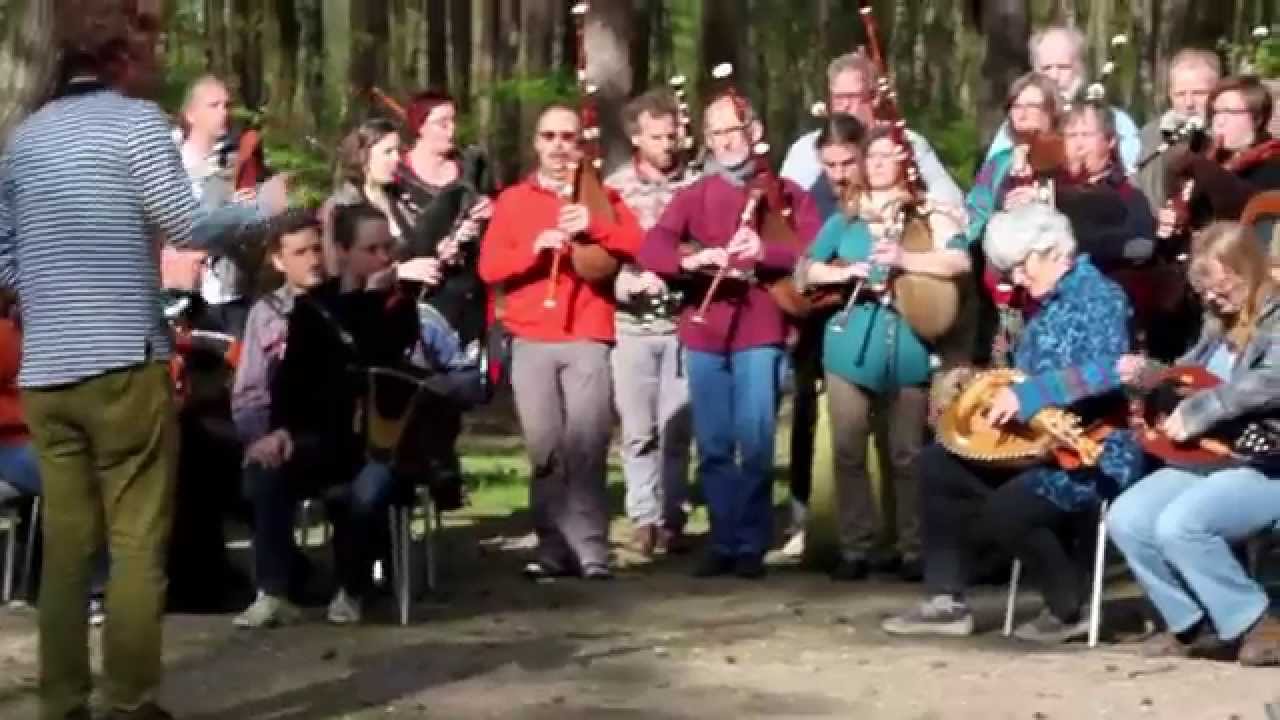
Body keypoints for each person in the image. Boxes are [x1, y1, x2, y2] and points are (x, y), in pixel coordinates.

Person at [0, 6, 288, 718]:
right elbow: (187, 223)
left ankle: (62, 702)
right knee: (134, 544)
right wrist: (262, 208)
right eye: (149, 48)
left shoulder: (24, 138)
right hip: (125, 363)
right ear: (120, 57)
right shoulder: (136, 125)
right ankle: (129, 703)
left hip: (47, 374)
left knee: (67, 551)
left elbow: (2, 254)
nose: (157, 62)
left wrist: (42, 299)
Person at [881, 203, 1143, 643]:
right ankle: (945, 601)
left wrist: (1029, 395)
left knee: (1006, 509)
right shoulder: (1041, 304)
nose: (1015, 278)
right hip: (1032, 444)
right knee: (937, 466)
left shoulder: (1100, 297)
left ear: (1050, 251)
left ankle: (1068, 608)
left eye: (1020, 266)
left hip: (1092, 450)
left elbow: (1110, 370)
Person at [779, 54, 962, 548]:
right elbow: (805, 270)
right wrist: (845, 271)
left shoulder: (927, 214)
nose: (877, 165)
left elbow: (958, 261)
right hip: (848, 342)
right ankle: (856, 544)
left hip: (906, 342)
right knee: (848, 451)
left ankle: (912, 544)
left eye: (885, 157)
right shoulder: (847, 216)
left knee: (906, 453)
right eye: (872, 158)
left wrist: (906, 259)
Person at [640, 90, 821, 579]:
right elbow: (652, 248)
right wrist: (692, 260)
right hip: (705, 330)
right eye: (715, 133)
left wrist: (764, 252)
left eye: (732, 131)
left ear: (754, 132)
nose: (724, 142)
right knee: (715, 442)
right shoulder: (694, 194)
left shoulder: (784, 194)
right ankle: (724, 539)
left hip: (761, 329)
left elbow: (813, 249)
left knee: (756, 441)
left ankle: (752, 542)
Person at [478, 104, 644, 580]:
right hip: (531, 337)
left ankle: (591, 550)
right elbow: (489, 268)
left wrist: (592, 226)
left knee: (587, 445)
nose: (558, 146)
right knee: (545, 449)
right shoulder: (514, 200)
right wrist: (533, 251)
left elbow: (638, 244)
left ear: (581, 144)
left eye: (568, 137)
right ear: (536, 143)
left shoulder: (602, 196)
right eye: (549, 136)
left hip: (588, 334)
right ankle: (552, 547)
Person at [244, 203, 430, 626]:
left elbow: (377, 354)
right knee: (266, 470)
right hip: (324, 438)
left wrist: (372, 298)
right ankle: (273, 590)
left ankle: (353, 587)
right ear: (343, 251)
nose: (384, 258)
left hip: (381, 444)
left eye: (388, 248)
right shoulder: (313, 306)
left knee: (363, 493)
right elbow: (290, 378)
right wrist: (278, 430)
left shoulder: (398, 305)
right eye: (372, 249)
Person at [1108, 222, 1280, 667]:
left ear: (1248, 269)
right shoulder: (1217, 323)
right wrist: (1150, 375)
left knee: (1181, 524)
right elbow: (1188, 374)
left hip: (1265, 460)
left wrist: (1205, 409)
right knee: (1127, 518)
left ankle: (1258, 622)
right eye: (1205, 292)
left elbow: (1270, 382)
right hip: (1213, 457)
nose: (1213, 300)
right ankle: (1194, 622)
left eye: (1223, 288)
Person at [388, 90, 496, 511]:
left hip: (462, 293)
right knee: (411, 378)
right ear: (419, 126)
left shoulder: (471, 169)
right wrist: (429, 252)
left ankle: (440, 462)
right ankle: (419, 466)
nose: (451, 130)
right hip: (412, 289)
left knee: (452, 382)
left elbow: (497, 223)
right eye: (441, 122)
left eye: (454, 120)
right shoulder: (397, 176)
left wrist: (486, 219)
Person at [604, 89, 697, 557]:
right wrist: (626, 283)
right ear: (636, 138)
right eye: (656, 137)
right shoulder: (615, 188)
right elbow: (601, 252)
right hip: (631, 326)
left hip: (682, 323)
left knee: (676, 428)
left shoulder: (695, 185)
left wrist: (681, 268)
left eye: (671, 135)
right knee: (639, 429)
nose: (667, 145)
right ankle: (643, 516)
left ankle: (673, 515)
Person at [230, 209, 326, 627]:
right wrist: (258, 437)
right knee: (258, 468)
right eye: (300, 253)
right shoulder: (265, 313)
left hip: (333, 430)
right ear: (279, 261)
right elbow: (249, 390)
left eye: (317, 249)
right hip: (279, 435)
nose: (313, 260)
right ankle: (274, 590)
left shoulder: (343, 303)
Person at [780, 52, 963, 206]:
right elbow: (787, 203)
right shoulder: (807, 148)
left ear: (875, 97)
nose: (844, 106)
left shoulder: (904, 141)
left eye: (852, 97)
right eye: (838, 98)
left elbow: (951, 200)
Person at [170, 74, 263, 337]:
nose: (224, 112)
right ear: (191, 114)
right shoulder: (164, 161)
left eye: (227, 105)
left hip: (230, 292)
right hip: (175, 293)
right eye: (214, 105)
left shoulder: (241, 160)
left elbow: (259, 228)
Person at [983, 25, 1142, 172]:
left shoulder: (1116, 122)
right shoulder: (1017, 127)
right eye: (1046, 68)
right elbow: (991, 177)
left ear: (1080, 69)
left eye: (1063, 67)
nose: (1054, 76)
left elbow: (1133, 174)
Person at [1134, 49, 1222, 214]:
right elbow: (1144, 193)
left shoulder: (1227, 136)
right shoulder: (1151, 136)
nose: (1189, 103)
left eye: (1199, 93)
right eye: (1180, 94)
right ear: (1170, 95)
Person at [322, 119, 404, 275]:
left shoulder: (402, 197)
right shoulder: (340, 206)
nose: (397, 159)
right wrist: (398, 272)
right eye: (388, 152)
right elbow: (334, 269)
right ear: (362, 156)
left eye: (398, 151)